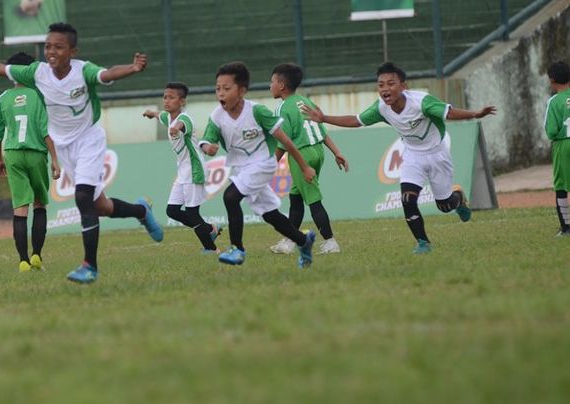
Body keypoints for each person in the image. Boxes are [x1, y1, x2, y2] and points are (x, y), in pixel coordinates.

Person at [0, 22, 164, 284]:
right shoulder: (38, 72)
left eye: (58, 46)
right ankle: (140, 211)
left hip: (88, 140)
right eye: (47, 46)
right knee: (99, 206)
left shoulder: (83, 71)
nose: (51, 51)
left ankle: (89, 266)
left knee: (82, 197)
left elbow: (108, 74)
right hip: (63, 146)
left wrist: (133, 68)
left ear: (72, 51)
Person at [301, 62, 496, 254]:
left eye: (391, 83)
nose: (385, 88)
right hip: (412, 154)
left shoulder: (421, 102)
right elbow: (356, 120)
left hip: (438, 152)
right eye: (381, 84)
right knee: (407, 199)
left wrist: (476, 113)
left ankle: (458, 199)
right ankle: (423, 242)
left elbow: (449, 113)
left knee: (445, 205)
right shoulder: (381, 108)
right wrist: (324, 118)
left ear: (403, 86)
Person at [198, 61, 318, 269]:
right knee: (270, 215)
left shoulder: (257, 111)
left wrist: (304, 166)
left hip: (263, 163)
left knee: (231, 196)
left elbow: (285, 140)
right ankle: (303, 241)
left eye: (227, 88)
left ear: (242, 90)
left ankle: (237, 249)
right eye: (218, 88)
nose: (221, 93)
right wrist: (207, 146)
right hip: (242, 168)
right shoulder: (217, 115)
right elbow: (208, 137)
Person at [267, 63, 349, 256]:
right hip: (317, 151)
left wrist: (269, 166)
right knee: (295, 198)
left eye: (272, 82)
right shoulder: (306, 102)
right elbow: (322, 131)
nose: (270, 86)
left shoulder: (282, 108)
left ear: (281, 86)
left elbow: (283, 142)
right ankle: (289, 241)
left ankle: (330, 242)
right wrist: (337, 152)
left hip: (301, 155)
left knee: (313, 199)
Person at [0, 51, 61, 273]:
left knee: (20, 208)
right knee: (39, 204)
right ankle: (37, 255)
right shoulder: (40, 96)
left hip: (12, 154)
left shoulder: (3, 98)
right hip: (36, 154)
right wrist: (55, 161)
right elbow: (46, 131)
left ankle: (22, 261)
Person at [143, 82, 222, 253]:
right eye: (165, 97)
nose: (167, 100)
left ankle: (211, 249)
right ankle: (209, 229)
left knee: (193, 214)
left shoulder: (184, 119)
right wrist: (151, 114)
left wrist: (175, 130)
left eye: (171, 98)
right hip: (183, 172)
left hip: (194, 170)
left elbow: (180, 126)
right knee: (172, 211)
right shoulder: (168, 116)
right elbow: (161, 116)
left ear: (182, 102)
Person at [543, 61, 570, 238]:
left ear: (552, 80)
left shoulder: (554, 101)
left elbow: (551, 130)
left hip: (564, 145)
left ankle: (566, 227)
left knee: (561, 186)